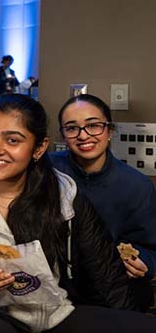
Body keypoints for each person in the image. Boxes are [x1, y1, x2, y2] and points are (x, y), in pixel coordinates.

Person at [0, 94, 154, 332]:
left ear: (39, 148)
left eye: (13, 141)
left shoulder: (66, 197)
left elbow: (108, 279)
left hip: (55, 315)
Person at [51, 94, 156, 310]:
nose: (83, 135)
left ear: (109, 131)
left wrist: (145, 261)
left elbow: (150, 247)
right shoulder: (47, 169)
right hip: (52, 283)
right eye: (72, 128)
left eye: (93, 125)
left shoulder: (136, 185)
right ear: (63, 135)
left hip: (108, 286)